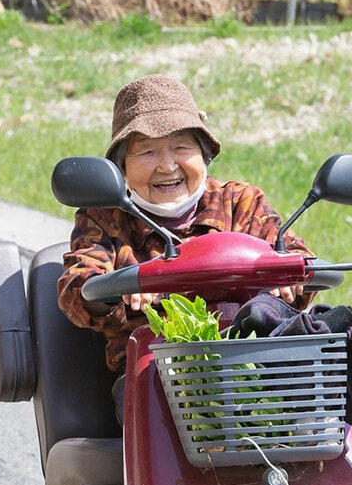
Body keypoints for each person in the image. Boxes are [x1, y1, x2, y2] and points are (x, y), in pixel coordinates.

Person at [57, 74, 315, 415]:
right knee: (152, 400)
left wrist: (289, 275)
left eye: (182, 147)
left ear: (205, 153)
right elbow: (77, 284)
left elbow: (295, 255)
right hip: (153, 374)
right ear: (121, 166)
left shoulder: (240, 201)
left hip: (250, 363)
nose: (167, 165)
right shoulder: (103, 216)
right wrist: (118, 287)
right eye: (147, 151)